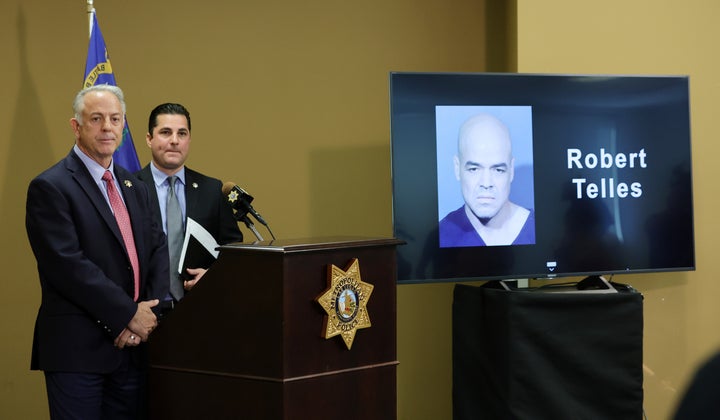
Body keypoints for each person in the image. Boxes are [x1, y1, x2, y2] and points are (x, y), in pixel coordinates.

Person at [25, 84, 169, 419]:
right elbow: (67, 265)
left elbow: (157, 250)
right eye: (96, 119)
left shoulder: (136, 186)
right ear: (76, 127)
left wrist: (148, 317)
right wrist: (127, 315)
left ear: (123, 126)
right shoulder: (51, 187)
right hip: (77, 351)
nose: (107, 127)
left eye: (115, 119)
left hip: (134, 349)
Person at [135, 103, 243, 311]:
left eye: (182, 133)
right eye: (166, 132)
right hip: (144, 311)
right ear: (149, 139)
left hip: (200, 308)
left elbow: (233, 249)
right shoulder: (129, 189)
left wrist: (214, 276)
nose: (175, 141)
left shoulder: (211, 190)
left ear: (189, 140)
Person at [439, 113, 535, 247]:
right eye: (474, 169)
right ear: (457, 168)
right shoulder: (442, 235)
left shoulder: (540, 228)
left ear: (511, 170)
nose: (486, 183)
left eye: (498, 170)